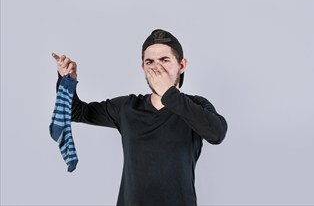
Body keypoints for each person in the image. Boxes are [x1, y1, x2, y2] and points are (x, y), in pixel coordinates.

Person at [51, 29, 228, 206]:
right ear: (142, 67)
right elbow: (76, 111)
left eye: (165, 60)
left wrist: (169, 93)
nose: (156, 68)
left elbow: (217, 133)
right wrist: (66, 80)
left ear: (182, 65)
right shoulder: (127, 108)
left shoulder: (195, 106)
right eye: (149, 62)